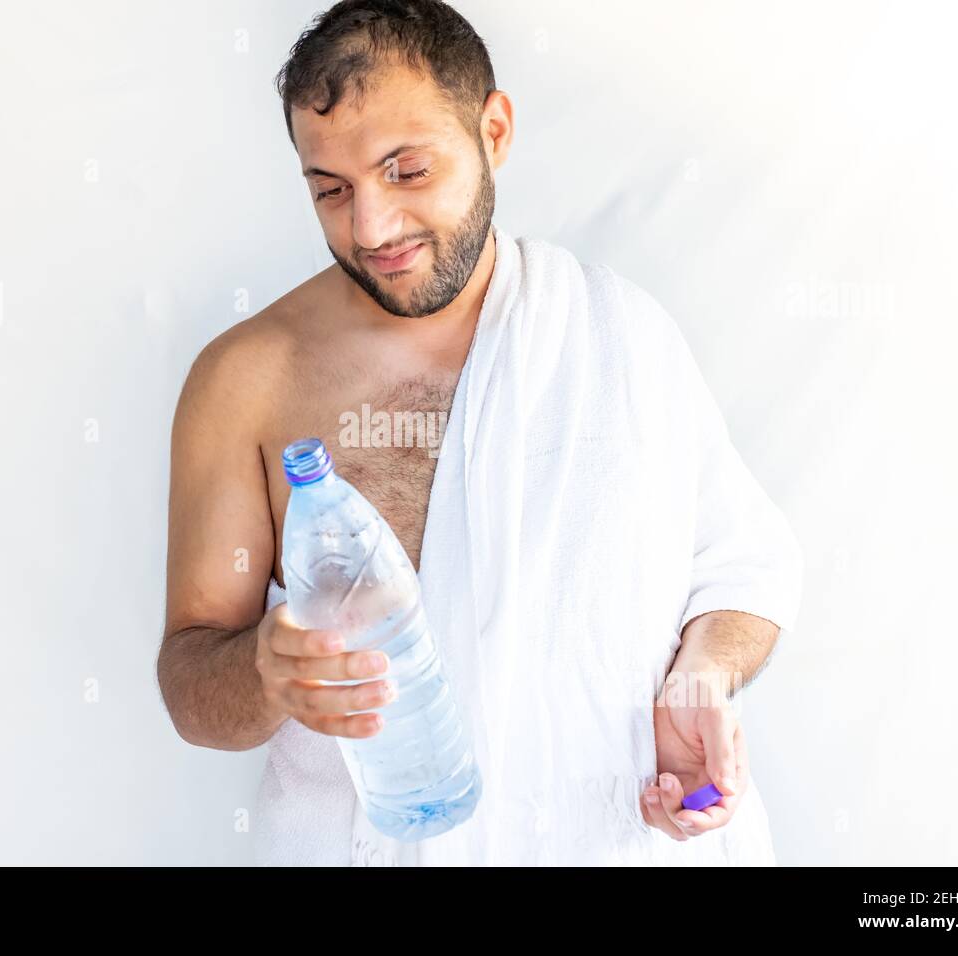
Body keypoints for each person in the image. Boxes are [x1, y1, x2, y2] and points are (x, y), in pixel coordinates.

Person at [157, 0, 803, 866]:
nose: (372, 228)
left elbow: (739, 569)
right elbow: (193, 682)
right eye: (332, 191)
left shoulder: (620, 333)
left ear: (493, 130)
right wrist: (267, 674)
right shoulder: (246, 382)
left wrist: (700, 677)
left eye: (407, 170)